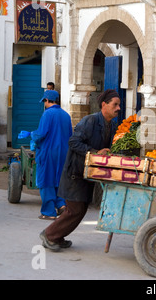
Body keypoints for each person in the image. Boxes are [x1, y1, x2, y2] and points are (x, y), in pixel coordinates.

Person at [40, 89, 120, 251]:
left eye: (119, 105)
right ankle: (49, 235)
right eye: (115, 104)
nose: (118, 108)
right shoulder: (89, 121)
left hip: (87, 174)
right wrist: (96, 152)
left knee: (80, 209)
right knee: (74, 209)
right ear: (104, 105)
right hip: (75, 172)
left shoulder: (111, 126)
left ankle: (58, 236)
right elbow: (74, 142)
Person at [31, 90, 72, 220]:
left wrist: (31, 135)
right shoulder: (66, 115)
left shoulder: (47, 114)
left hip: (48, 152)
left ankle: (48, 212)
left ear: (47, 100)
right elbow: (70, 136)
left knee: (46, 180)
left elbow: (41, 134)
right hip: (63, 153)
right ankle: (61, 205)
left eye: (44, 101)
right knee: (59, 179)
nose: (44, 103)